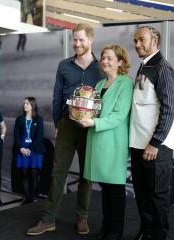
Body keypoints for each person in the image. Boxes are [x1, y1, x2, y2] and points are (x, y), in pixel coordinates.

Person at [26, 23, 103, 236]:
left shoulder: (101, 67)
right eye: (74, 39)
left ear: (90, 39)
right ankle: (48, 219)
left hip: (90, 127)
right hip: (67, 125)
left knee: (87, 174)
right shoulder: (64, 65)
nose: (77, 44)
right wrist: (59, 123)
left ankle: (82, 217)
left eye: (81, 40)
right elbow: (56, 95)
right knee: (58, 173)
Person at [78, 45, 133, 240]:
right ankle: (106, 227)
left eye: (110, 58)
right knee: (105, 189)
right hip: (98, 140)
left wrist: (93, 122)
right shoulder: (100, 84)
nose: (105, 61)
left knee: (115, 189)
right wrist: (80, 112)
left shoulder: (125, 84)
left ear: (120, 62)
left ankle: (115, 232)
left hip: (113, 142)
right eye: (103, 58)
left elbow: (119, 116)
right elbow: (93, 111)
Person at [130, 26, 174, 240]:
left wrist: (155, 143)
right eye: (135, 41)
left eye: (142, 40)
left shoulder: (162, 68)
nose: (137, 44)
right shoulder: (144, 66)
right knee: (142, 195)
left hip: (155, 148)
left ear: (155, 40)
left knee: (157, 198)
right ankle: (146, 233)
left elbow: (169, 109)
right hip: (139, 144)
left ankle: (158, 236)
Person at [14, 97, 44, 204]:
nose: (24, 105)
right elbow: (16, 136)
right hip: (22, 150)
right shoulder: (19, 119)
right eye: (24, 103)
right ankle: (27, 198)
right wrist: (21, 148)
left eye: (27, 103)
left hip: (35, 150)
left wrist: (29, 149)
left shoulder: (38, 119)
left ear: (32, 105)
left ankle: (33, 196)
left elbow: (39, 137)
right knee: (24, 172)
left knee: (34, 172)